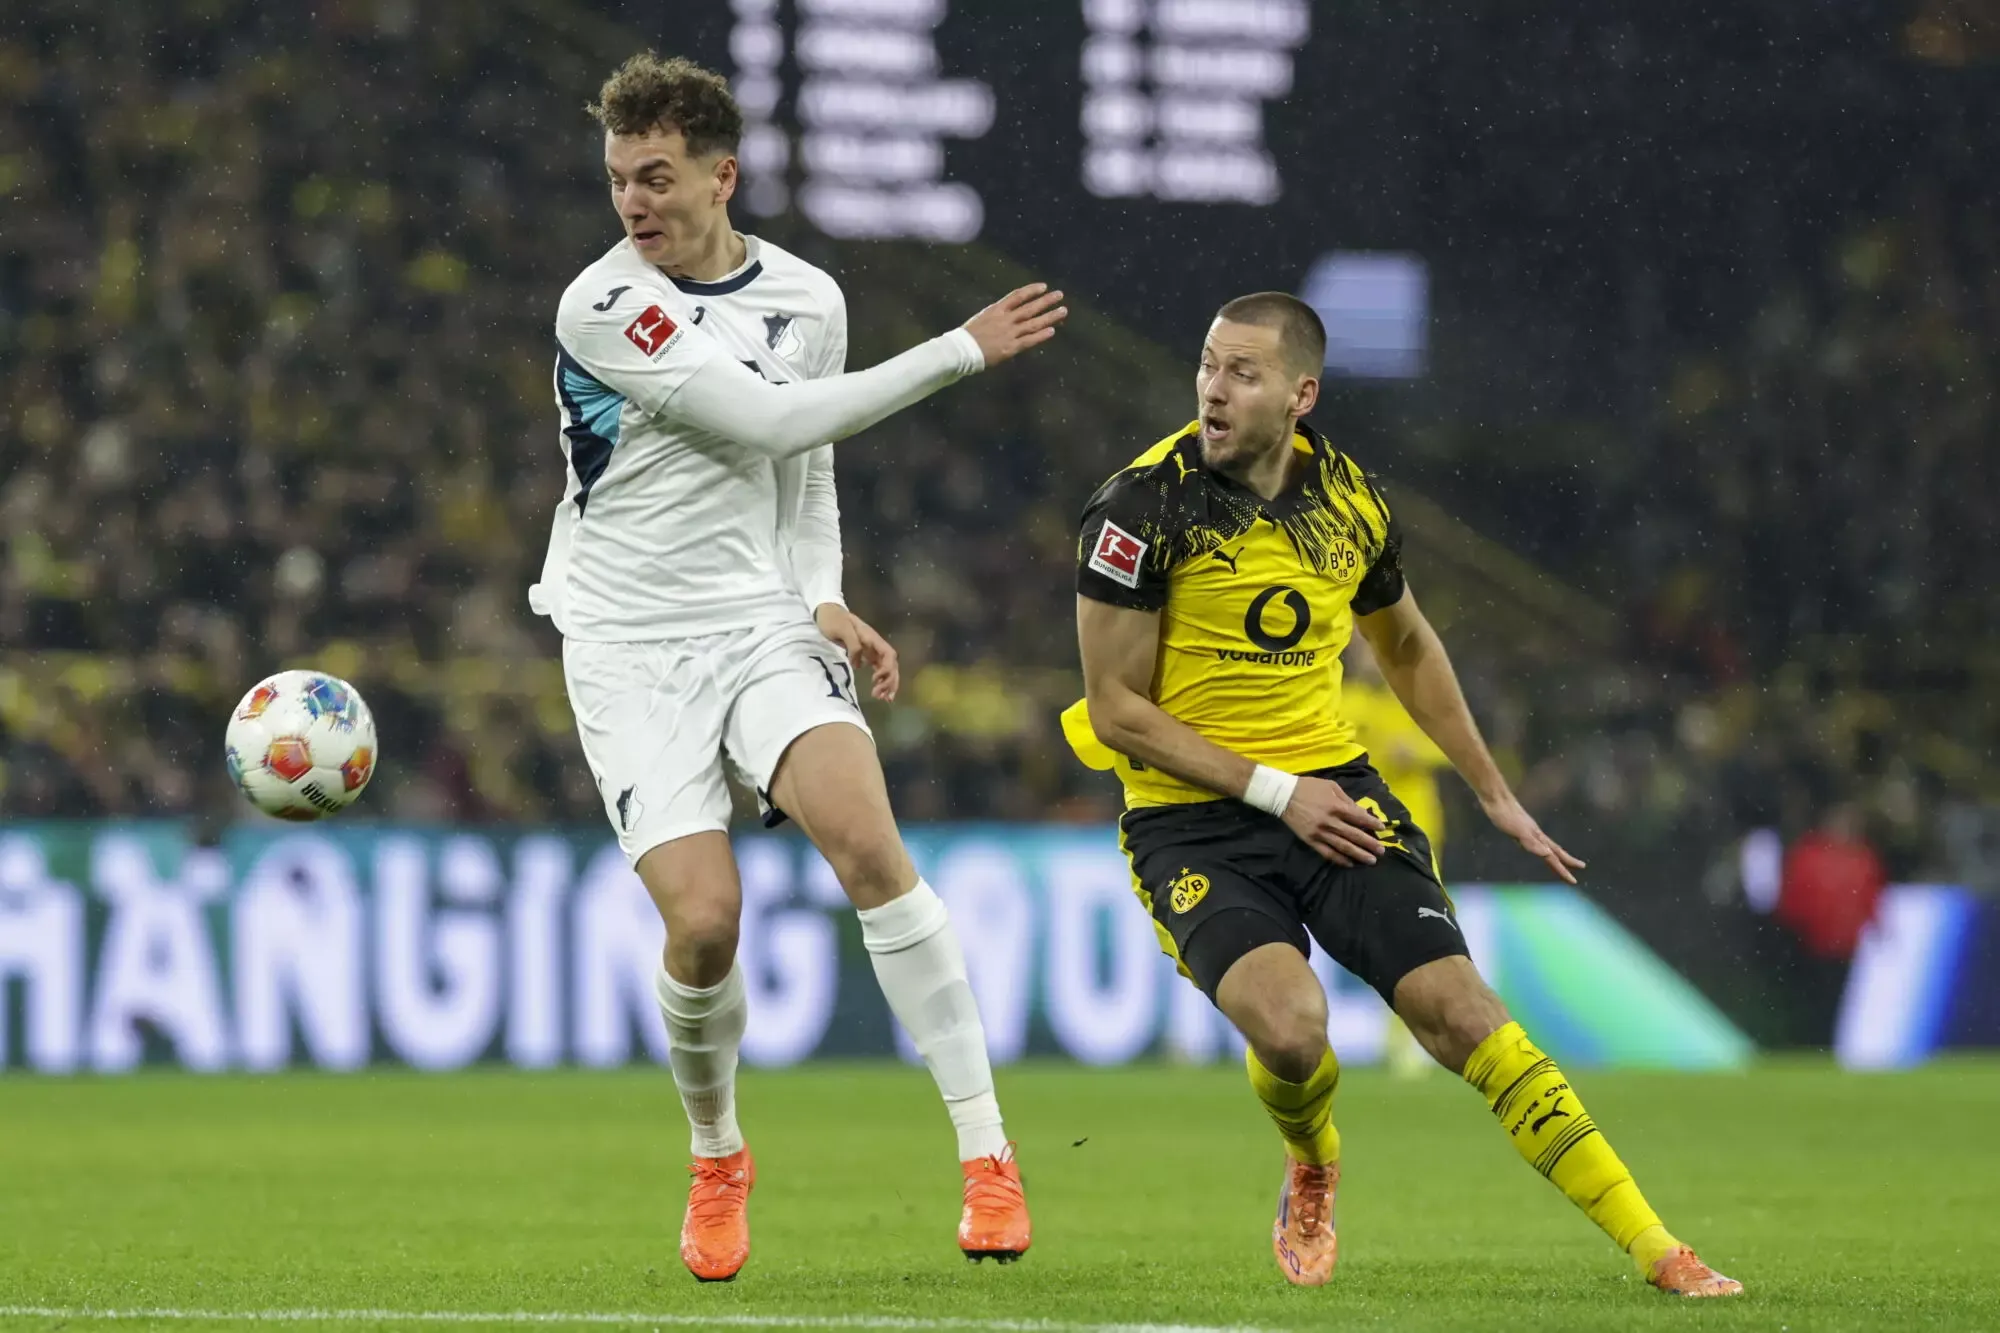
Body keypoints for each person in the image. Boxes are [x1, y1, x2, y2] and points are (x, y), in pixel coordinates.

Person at [1060, 292, 1741, 1297]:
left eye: (1242, 372)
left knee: (1463, 1015)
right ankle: (1312, 1160)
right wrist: (1277, 793)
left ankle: (1658, 1247)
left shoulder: (1351, 501)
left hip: (1333, 797)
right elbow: (1115, 709)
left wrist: (1493, 790)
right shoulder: (1138, 507)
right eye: (1207, 364)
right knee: (1291, 1031)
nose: (1212, 388)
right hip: (1190, 818)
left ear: (1301, 394)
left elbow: (1408, 642)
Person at [534, 52, 1063, 1282]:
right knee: (704, 924)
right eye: (616, 180)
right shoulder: (602, 304)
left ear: (721, 177)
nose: (631, 204)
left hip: (759, 624)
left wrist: (820, 596)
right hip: (627, 644)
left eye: (654, 177)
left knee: (869, 846)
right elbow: (770, 419)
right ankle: (716, 1152)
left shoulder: (809, 300)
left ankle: (986, 1154)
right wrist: (960, 350)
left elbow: (803, 473)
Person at [1341, 636, 1452, 1078]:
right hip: (1365, 829)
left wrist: (1416, 751)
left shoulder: (1414, 696)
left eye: (1376, 649)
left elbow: (1450, 742)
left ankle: (1404, 1038)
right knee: (1381, 932)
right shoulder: (1343, 700)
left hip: (1419, 830)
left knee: (1418, 930)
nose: (1371, 658)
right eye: (1364, 650)